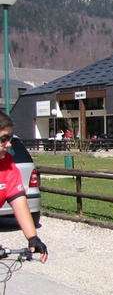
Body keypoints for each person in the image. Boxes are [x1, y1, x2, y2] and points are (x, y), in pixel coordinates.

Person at [0, 112, 48, 263]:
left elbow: (19, 202)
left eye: (9, 139)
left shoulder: (8, 165)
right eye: (3, 139)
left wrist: (33, 237)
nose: (9, 144)